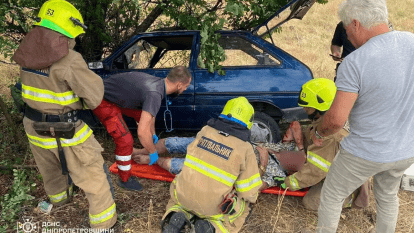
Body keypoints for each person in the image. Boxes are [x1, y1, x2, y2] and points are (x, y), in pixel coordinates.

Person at [133, 78, 369, 211]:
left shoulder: (325, 142)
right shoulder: (317, 128)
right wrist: (295, 139)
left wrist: (282, 180)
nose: (304, 110)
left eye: (307, 106)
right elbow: (307, 153)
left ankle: (351, 194)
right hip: (255, 151)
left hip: (336, 172)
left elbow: (313, 171)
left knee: (312, 203)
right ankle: (148, 152)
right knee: (191, 144)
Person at [12, 0, 116, 229]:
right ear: (66, 32)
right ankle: (104, 223)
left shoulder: (26, 53)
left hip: (33, 126)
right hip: (66, 129)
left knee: (51, 171)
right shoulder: (70, 60)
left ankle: (60, 203)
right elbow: (95, 96)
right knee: (93, 174)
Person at [314, 0, 414, 232]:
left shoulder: (355, 62)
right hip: (407, 149)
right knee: (388, 196)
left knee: (333, 194)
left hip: (365, 152)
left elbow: (337, 121)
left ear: (356, 24)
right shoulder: (411, 41)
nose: (347, 37)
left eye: (347, 29)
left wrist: (318, 131)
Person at [161, 97, 261, 233]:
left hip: (183, 194)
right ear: (248, 122)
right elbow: (248, 192)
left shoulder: (205, 131)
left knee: (178, 201)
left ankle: (176, 213)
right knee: (243, 208)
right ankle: (211, 227)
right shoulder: (245, 148)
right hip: (212, 207)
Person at [92, 67, 191, 191]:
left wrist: (153, 134)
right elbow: (142, 133)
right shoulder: (155, 93)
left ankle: (135, 151)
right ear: (179, 85)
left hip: (114, 95)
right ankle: (125, 179)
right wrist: (152, 153)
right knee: (125, 141)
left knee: (142, 117)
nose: (186, 89)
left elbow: (149, 113)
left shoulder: (159, 84)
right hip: (102, 100)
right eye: (186, 86)